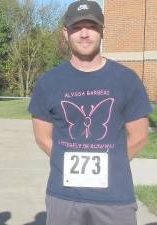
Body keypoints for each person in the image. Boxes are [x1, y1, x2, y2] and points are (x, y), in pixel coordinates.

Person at [28, 1, 152, 225]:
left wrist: (111, 165)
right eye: (77, 28)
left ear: (103, 31)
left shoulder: (127, 80)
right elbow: (42, 137)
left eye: (92, 27)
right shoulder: (48, 83)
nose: (84, 34)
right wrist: (68, 164)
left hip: (115, 199)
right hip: (64, 197)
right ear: (66, 33)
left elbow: (140, 136)